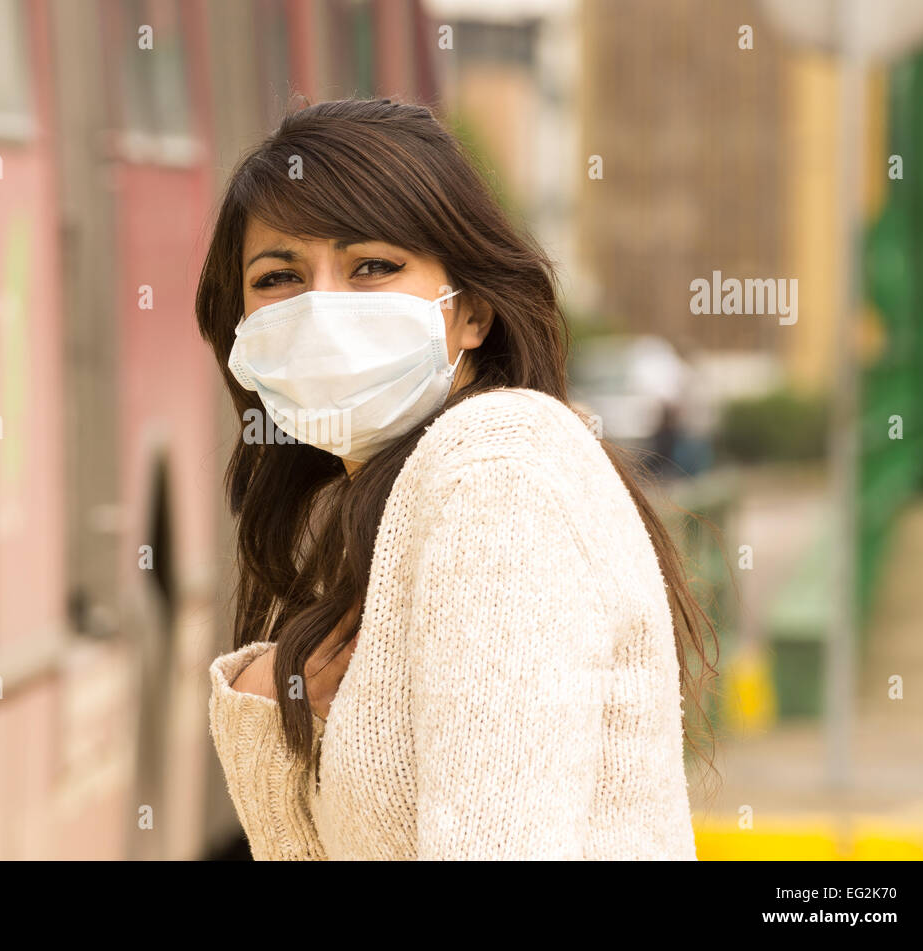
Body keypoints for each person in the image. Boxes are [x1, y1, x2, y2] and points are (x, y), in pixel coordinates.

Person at [195, 97, 716, 860]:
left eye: (372, 266)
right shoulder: (394, 502)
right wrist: (265, 704)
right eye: (280, 276)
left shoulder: (498, 470)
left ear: (470, 312)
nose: (325, 308)